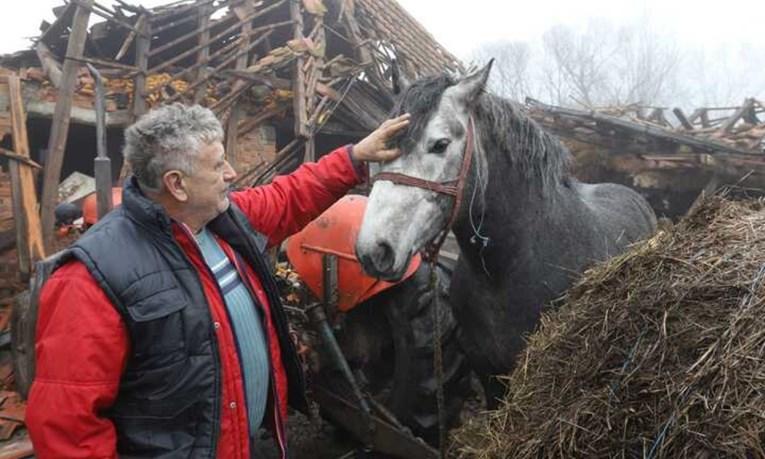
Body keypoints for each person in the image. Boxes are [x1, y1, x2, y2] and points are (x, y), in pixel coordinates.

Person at [25, 103, 410, 458]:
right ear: (177, 184)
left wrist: (354, 157)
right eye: (219, 165)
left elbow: (290, 195)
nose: (231, 173)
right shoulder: (91, 279)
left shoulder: (223, 222)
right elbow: (69, 429)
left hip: (250, 442)